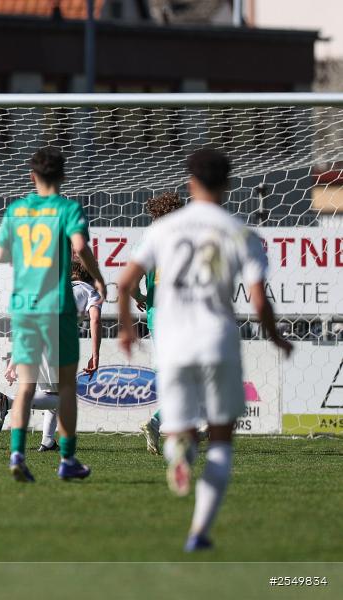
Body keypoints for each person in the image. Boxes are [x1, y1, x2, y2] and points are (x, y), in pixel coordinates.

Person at [117, 148, 292, 552]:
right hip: (217, 341)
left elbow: (125, 284)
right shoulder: (239, 231)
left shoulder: (163, 229)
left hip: (172, 341)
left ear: (190, 182)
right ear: (227, 183)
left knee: (178, 430)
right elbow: (259, 300)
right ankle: (198, 532)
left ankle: (178, 452)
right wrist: (275, 336)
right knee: (220, 439)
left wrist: (126, 329)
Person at [0, 146, 106, 482]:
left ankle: (17, 454)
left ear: (32, 176)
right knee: (66, 388)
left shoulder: (17, 210)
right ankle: (67, 459)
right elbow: (80, 247)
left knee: (27, 385)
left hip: (25, 306)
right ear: (63, 175)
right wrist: (98, 276)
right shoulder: (68, 208)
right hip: (57, 307)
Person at [0, 257, 103, 453]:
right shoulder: (89, 291)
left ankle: (48, 441)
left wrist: (14, 361)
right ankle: (8, 402)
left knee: (51, 394)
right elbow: (95, 320)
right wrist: (95, 354)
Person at [133, 192, 185, 455]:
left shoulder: (148, 241)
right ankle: (161, 422)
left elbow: (131, 281)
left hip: (157, 315)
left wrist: (139, 297)